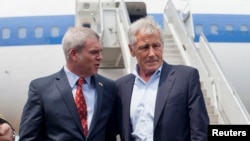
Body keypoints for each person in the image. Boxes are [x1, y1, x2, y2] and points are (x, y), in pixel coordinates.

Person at [115, 16, 209, 141]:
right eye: (144, 47)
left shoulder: (186, 78)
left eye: (156, 46)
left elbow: (200, 131)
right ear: (131, 50)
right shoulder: (121, 86)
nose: (152, 53)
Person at [19, 26, 116, 141]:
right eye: (94, 52)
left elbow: (110, 134)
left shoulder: (109, 87)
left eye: (100, 51)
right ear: (74, 54)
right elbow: (28, 137)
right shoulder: (41, 89)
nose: (100, 57)